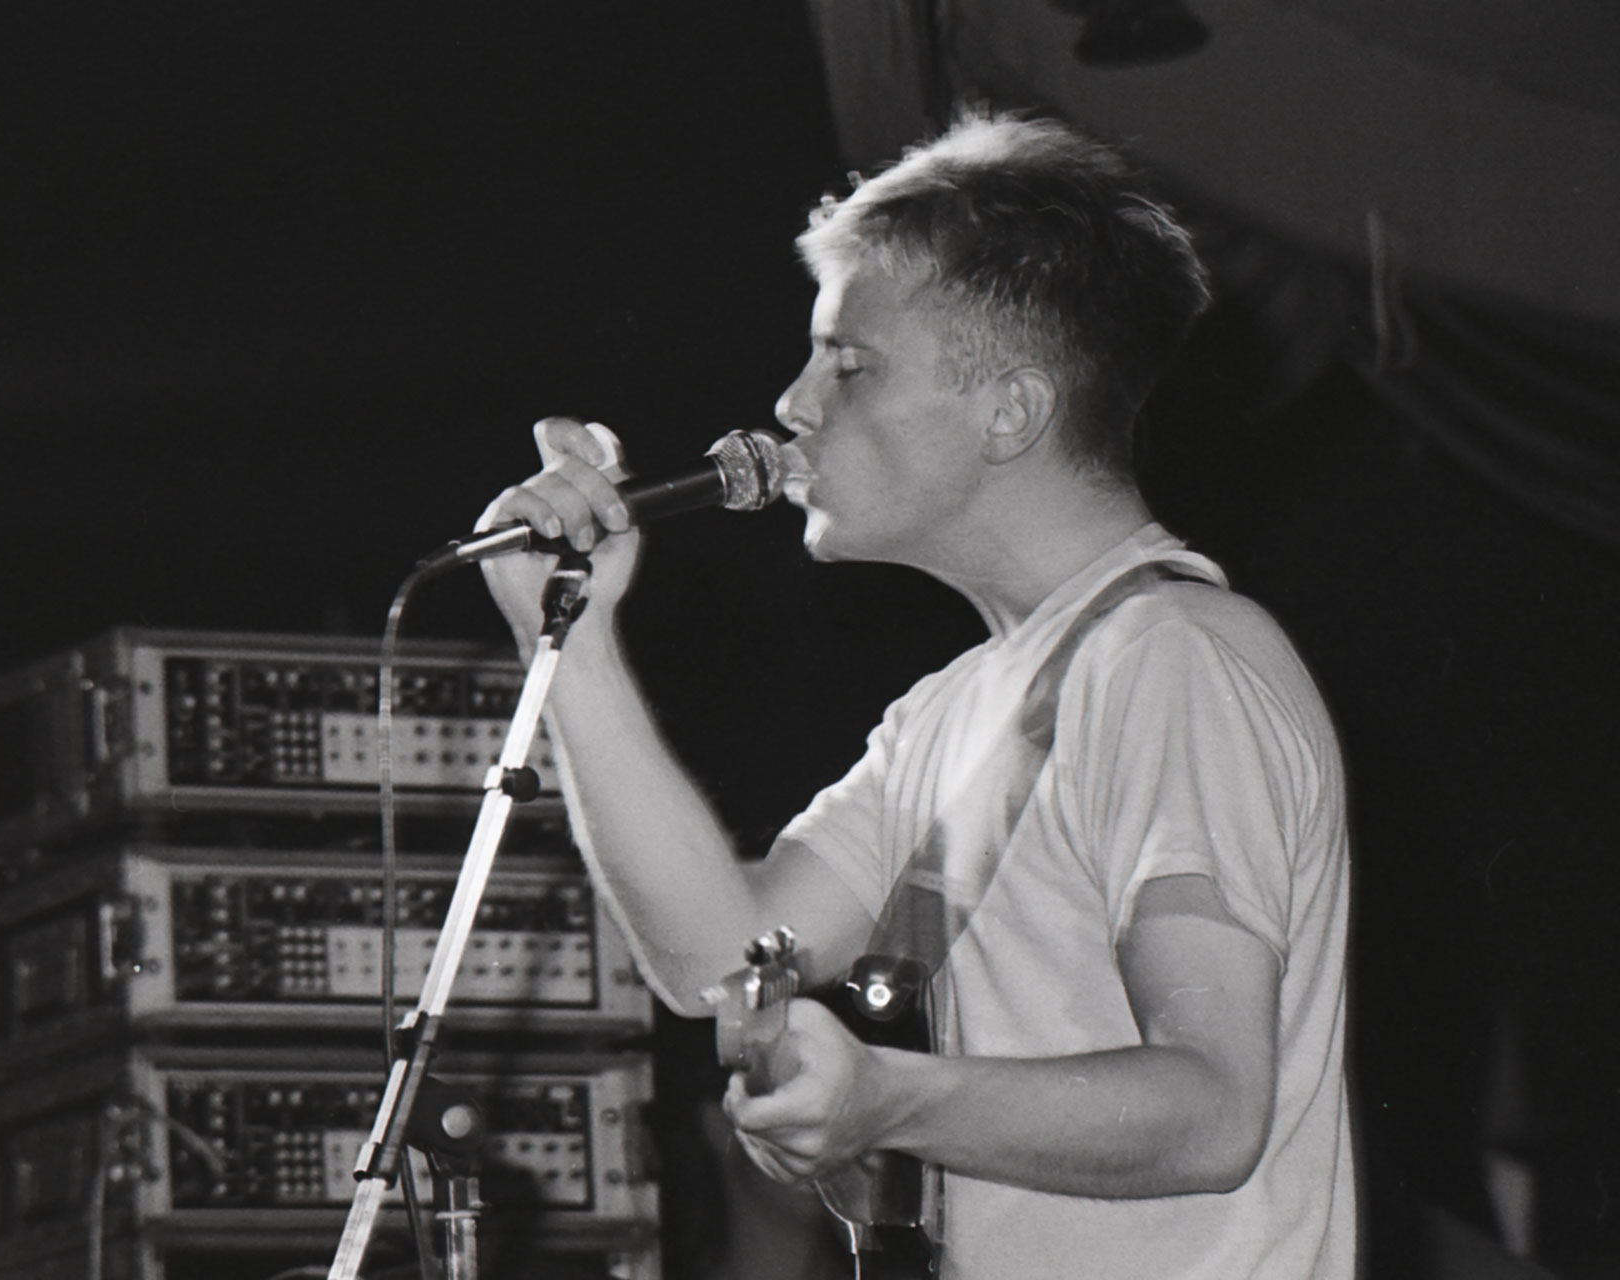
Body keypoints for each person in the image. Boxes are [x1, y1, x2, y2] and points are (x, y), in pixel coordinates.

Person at [475, 107, 1353, 1279]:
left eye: (849, 362)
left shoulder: (1174, 659)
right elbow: (714, 954)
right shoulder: (955, 712)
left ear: (1011, 411)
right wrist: (572, 645)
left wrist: (888, 1097)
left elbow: (1211, 1107)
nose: (793, 404)